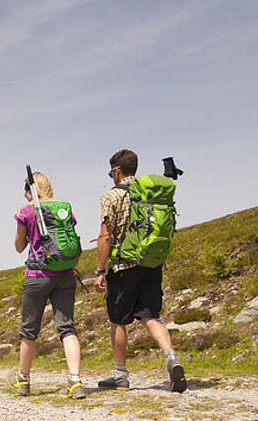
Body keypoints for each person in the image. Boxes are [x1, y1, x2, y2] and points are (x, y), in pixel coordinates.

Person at [93, 149, 187, 392]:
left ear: (116, 171)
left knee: (118, 321)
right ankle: (171, 358)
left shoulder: (111, 196)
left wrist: (100, 270)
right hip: (151, 263)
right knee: (150, 316)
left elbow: (106, 235)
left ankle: (120, 375)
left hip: (124, 266)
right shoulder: (151, 194)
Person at [12, 171, 84, 398]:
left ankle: (23, 380)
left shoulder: (26, 211)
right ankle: (75, 380)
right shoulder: (64, 206)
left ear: (28, 190)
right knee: (67, 328)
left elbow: (19, 246)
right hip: (65, 273)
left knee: (29, 331)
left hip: (38, 275)